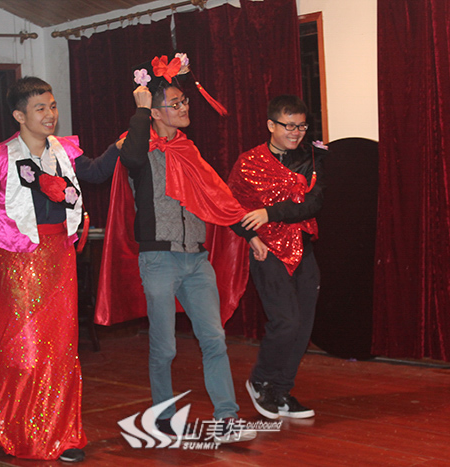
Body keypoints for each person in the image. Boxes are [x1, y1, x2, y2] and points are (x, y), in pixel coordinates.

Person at [0, 77, 120, 463]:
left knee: (61, 350)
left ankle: (62, 436)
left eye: (52, 106)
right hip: (19, 266)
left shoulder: (64, 151)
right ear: (19, 115)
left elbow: (97, 172)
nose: (50, 114)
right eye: (40, 108)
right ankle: (21, 431)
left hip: (61, 259)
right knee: (26, 352)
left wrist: (126, 138)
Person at [113, 53, 267, 443]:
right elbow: (129, 157)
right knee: (164, 347)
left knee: (214, 339)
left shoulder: (188, 150)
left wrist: (249, 234)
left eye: (185, 102)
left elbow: (219, 197)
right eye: (175, 104)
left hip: (197, 259)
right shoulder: (140, 148)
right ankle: (163, 418)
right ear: (155, 112)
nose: (184, 108)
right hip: (159, 259)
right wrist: (140, 112)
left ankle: (227, 417)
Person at [228, 95, 327, 420]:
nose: (296, 132)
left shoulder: (312, 157)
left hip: (303, 249)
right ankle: (261, 381)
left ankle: (281, 391)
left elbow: (313, 204)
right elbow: (231, 206)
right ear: (271, 125)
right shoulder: (248, 162)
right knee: (286, 321)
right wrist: (251, 236)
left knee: (303, 325)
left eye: (302, 126)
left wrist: (270, 213)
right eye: (289, 126)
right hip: (267, 250)